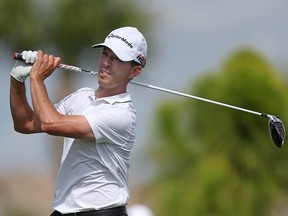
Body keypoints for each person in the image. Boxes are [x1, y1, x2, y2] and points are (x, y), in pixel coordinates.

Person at [9, 26, 147, 216]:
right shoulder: (80, 97)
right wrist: (17, 80)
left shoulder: (122, 114)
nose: (106, 62)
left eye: (116, 58)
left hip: (102, 212)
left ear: (135, 71)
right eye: (105, 54)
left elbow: (50, 123)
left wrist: (37, 78)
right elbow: (24, 123)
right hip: (63, 210)